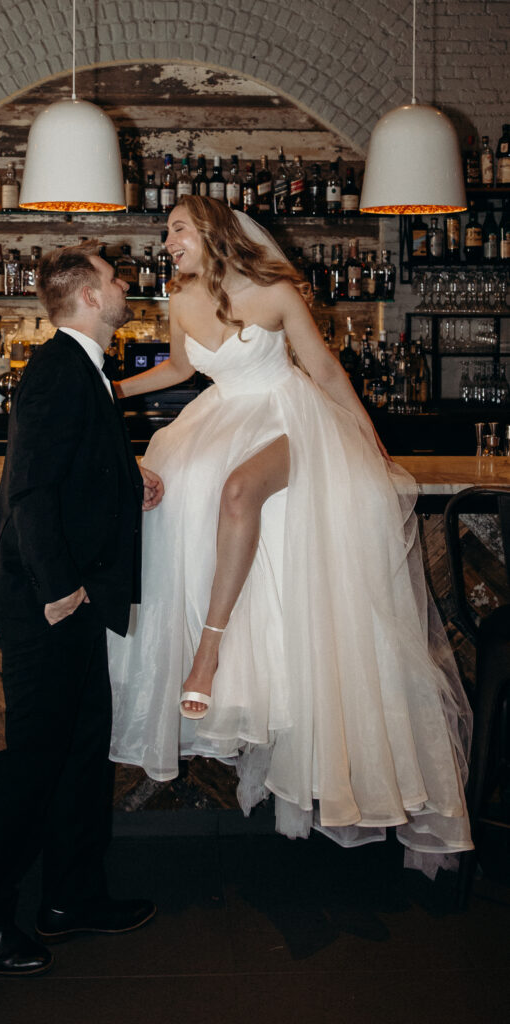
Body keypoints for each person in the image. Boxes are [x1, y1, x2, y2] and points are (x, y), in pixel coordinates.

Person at [107, 196, 472, 874]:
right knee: (177, 501)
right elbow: (181, 371)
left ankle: (208, 656)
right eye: (167, 233)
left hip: (289, 419)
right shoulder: (178, 292)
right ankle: (227, 665)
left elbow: (325, 372)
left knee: (238, 491)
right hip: (216, 420)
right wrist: (109, 392)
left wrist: (368, 446)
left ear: (212, 232)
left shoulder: (273, 291)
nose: (168, 241)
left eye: (177, 229)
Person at [0, 243, 164, 976]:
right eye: (114, 278)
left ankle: (72, 897)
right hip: (49, 601)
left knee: (78, 751)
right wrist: (57, 589)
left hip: (76, 596)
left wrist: (129, 478)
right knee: (34, 759)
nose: (125, 285)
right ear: (90, 296)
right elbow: (28, 492)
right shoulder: (56, 370)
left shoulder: (81, 370)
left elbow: (71, 469)